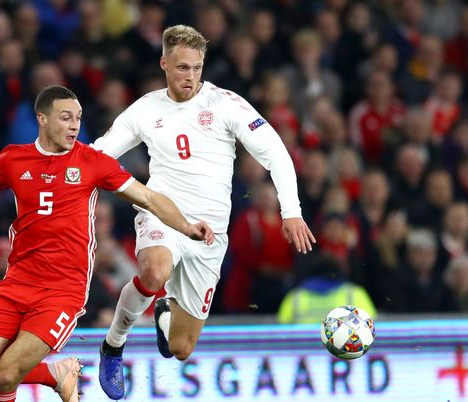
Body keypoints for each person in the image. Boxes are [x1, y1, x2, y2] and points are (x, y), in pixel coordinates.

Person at [0, 85, 214, 402]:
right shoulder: (15, 160)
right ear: (42, 119)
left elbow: (149, 198)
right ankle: (56, 374)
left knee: (5, 376)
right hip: (16, 283)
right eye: (65, 117)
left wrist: (185, 225)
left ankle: (46, 377)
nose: (75, 125)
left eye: (78, 118)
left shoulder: (93, 163)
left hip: (62, 291)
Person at [92, 25, 316, 400]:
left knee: (181, 348)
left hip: (210, 234)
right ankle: (113, 346)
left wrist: (290, 211)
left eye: (196, 67)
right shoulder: (146, 109)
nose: (190, 76)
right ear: (164, 63)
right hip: (163, 213)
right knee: (154, 269)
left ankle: (164, 314)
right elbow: (100, 154)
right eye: (181, 68)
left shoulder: (225, 104)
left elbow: (275, 152)